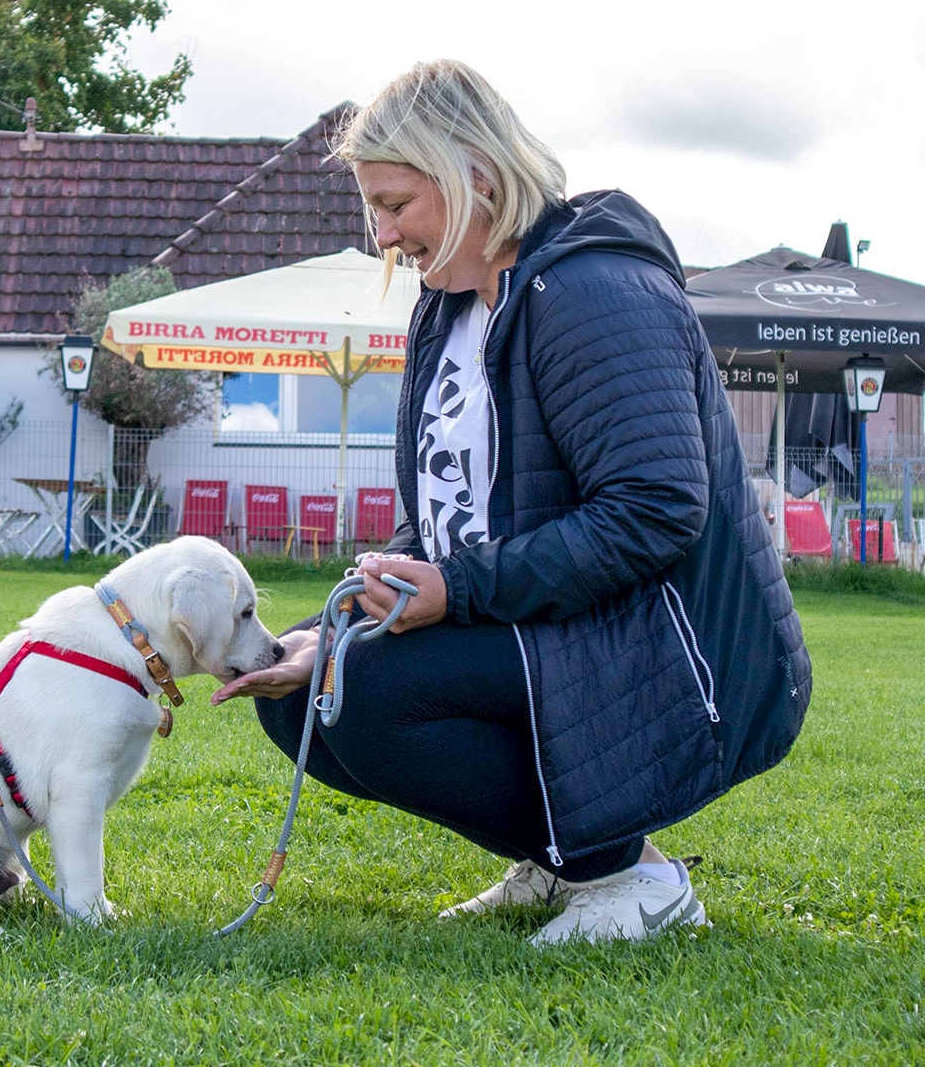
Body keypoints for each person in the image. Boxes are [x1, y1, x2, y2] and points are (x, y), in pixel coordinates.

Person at [212, 59, 811, 946]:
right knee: (298, 690)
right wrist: (339, 623)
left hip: (670, 647)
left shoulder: (596, 293)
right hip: (545, 622)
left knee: (368, 694)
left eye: (397, 204)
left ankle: (629, 876)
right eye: (372, 208)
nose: (382, 235)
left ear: (476, 176)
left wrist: (455, 594)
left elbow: (653, 512)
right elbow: (447, 513)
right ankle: (554, 860)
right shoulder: (445, 308)